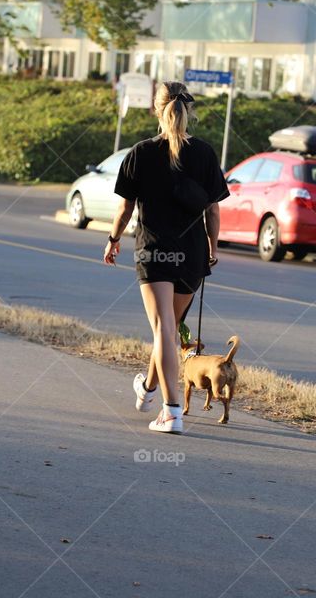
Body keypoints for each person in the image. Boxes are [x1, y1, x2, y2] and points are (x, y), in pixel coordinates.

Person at [103, 81, 229, 434]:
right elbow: (213, 211)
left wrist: (113, 239)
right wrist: (213, 248)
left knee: (164, 331)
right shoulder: (204, 153)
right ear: (188, 110)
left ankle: (172, 412)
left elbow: (126, 207)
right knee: (168, 331)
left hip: (155, 251)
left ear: (155, 109)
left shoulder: (140, 153)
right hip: (191, 255)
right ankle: (147, 389)